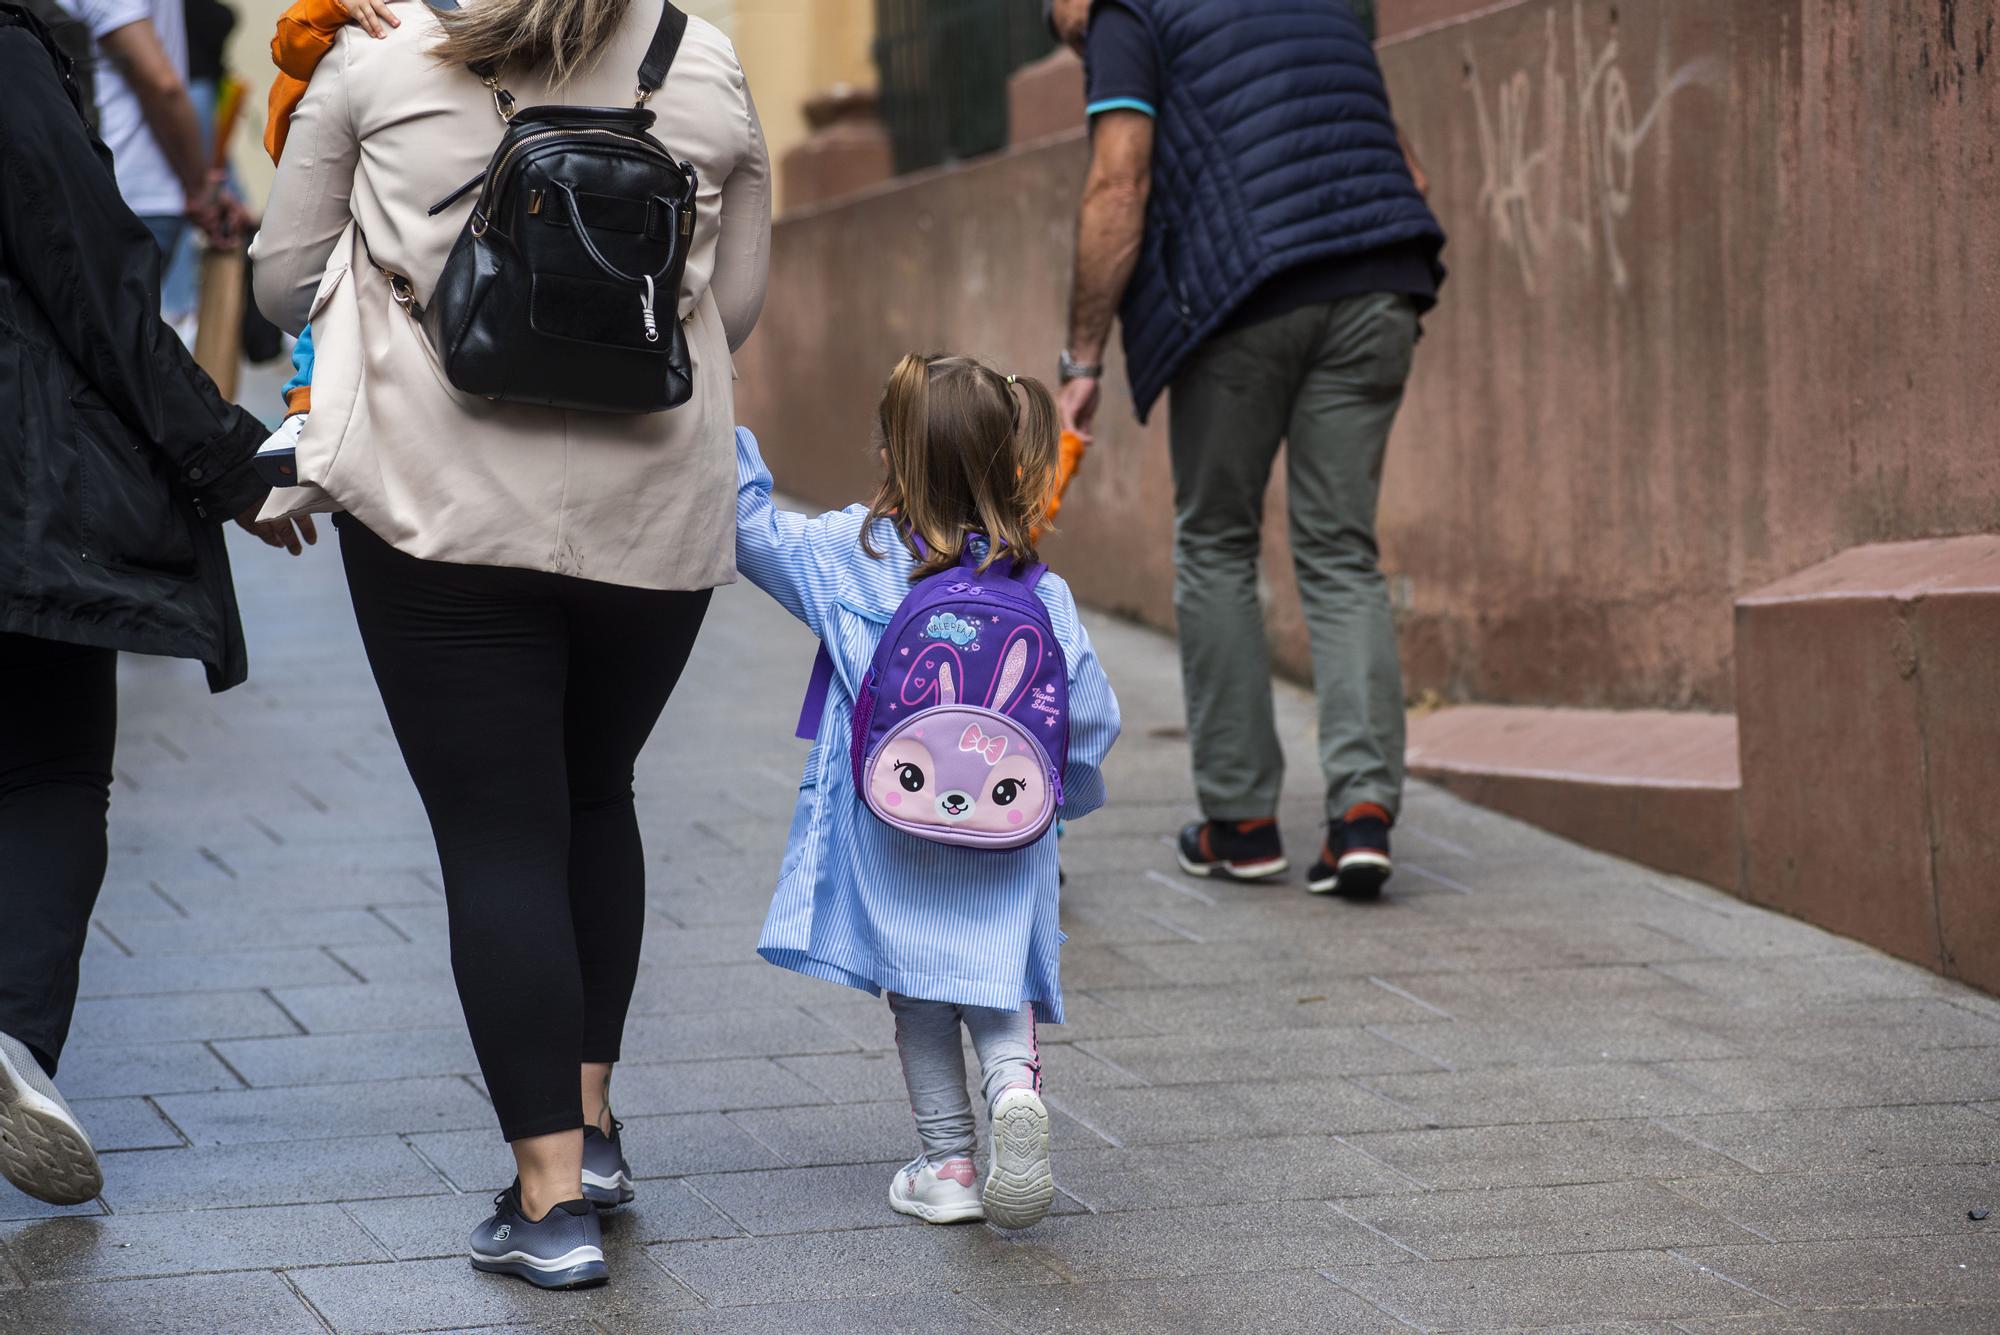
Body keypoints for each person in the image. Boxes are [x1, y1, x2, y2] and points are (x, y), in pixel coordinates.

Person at [249, 0, 770, 1289]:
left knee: (498, 833)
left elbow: (276, 282)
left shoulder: (374, 57)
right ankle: (589, 1132)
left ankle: (547, 1209)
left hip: (440, 508)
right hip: (655, 513)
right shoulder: (701, 60)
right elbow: (738, 304)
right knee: (597, 792)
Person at [0, 1, 308, 1208]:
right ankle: (13, 1040)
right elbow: (91, 278)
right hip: (21, 485)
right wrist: (231, 464)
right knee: (48, 771)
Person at [1045, 0, 1445, 899]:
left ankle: (1241, 822)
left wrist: (1083, 358)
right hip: (1381, 273)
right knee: (1341, 545)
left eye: (1066, 31)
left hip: (1245, 300)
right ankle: (1363, 816)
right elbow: (1406, 166)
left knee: (1218, 538)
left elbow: (1119, 183)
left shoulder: (1124, 14)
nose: (1075, 42)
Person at [733, 355, 1121, 1230]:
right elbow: (1091, 717)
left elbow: (748, 528)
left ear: (891, 458)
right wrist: (1063, 802)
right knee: (994, 973)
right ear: (1010, 461)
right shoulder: (1040, 589)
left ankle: (947, 1165)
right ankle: (1015, 1085)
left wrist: (721, 424)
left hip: (891, 827)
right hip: (1006, 833)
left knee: (917, 990)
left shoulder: (849, 555)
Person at [69, 0, 250, 278]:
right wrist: (202, 188)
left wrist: (200, 188)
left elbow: (160, 84)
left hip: (121, 189)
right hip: (140, 188)